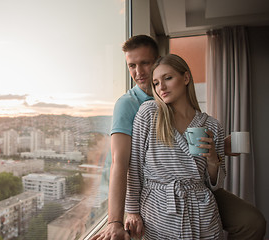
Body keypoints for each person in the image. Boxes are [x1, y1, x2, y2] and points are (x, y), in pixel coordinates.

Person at [90, 35, 266, 240]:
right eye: (132, 66)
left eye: (145, 63)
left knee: (253, 222)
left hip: (200, 201)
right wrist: (119, 218)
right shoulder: (138, 108)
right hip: (160, 205)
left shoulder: (209, 123)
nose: (139, 73)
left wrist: (215, 155)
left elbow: (212, 178)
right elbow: (124, 164)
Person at [125, 54, 225, 239]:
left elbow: (215, 184)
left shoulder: (212, 125)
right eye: (155, 83)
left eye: (168, 78)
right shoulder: (149, 113)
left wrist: (213, 160)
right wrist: (132, 211)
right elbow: (135, 166)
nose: (161, 87)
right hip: (158, 212)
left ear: (186, 78)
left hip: (202, 212)